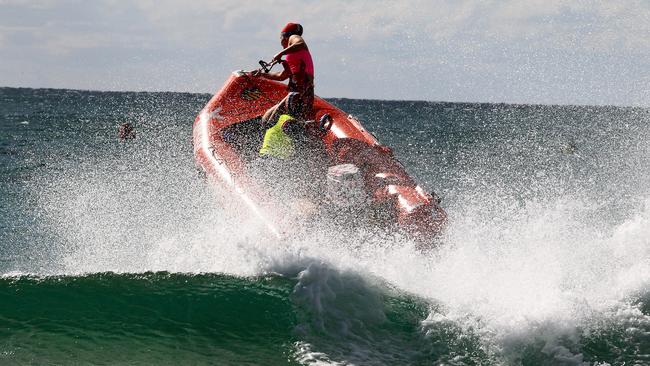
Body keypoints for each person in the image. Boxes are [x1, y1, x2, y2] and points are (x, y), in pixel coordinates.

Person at [253, 22, 315, 124]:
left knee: (271, 120)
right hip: (296, 91)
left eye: (280, 37)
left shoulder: (293, 38)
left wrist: (280, 53)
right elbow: (282, 76)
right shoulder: (292, 55)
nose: (280, 41)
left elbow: (300, 44)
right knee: (266, 117)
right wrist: (262, 74)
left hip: (302, 92)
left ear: (284, 36)